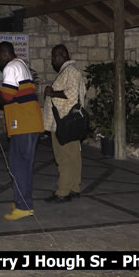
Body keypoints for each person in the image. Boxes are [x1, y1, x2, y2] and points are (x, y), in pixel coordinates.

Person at [0, 41, 44, 221]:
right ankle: (22, 201)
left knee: (20, 166)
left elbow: (7, 97)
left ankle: (23, 206)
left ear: (4, 54)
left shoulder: (10, 67)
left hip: (23, 125)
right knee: (22, 164)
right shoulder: (21, 64)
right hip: (31, 123)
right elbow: (12, 92)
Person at [42, 44, 87, 204]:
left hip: (64, 123)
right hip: (67, 123)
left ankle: (63, 191)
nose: (52, 60)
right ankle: (74, 187)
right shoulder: (70, 72)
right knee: (73, 156)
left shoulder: (71, 72)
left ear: (62, 55)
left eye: (54, 56)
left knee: (64, 158)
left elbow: (72, 94)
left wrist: (51, 92)